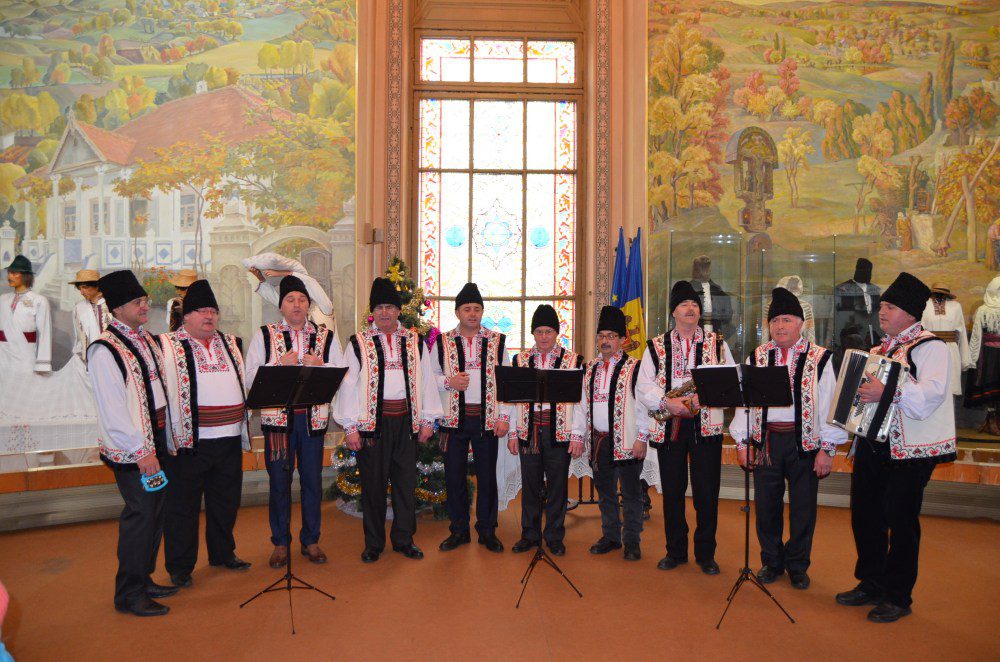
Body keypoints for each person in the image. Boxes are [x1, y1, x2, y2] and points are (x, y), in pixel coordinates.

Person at [837, 272, 957, 623]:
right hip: (873, 445)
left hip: (909, 452)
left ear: (909, 312)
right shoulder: (879, 349)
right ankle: (871, 582)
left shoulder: (931, 347)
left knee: (901, 522)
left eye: (889, 306)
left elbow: (931, 395)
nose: (882, 311)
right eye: (882, 306)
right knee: (866, 516)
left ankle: (898, 595)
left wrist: (886, 391)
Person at [730, 287, 846, 590]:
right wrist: (743, 442)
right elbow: (745, 403)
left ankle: (797, 565)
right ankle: (772, 561)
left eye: (787, 320)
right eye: (775, 321)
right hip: (767, 442)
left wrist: (828, 449)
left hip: (804, 444)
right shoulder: (757, 357)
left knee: (803, 509)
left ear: (801, 324)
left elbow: (830, 405)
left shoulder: (821, 358)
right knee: (766, 506)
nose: (780, 326)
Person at [87, 270, 178, 617]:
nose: (145, 306)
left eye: (145, 300)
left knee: (155, 513)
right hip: (134, 450)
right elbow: (113, 410)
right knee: (140, 515)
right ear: (118, 308)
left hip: (155, 440)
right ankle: (129, 593)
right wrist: (142, 452)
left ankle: (144, 578)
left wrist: (164, 440)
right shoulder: (104, 350)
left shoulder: (147, 340)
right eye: (138, 302)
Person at [334, 277, 442, 563]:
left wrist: (428, 420)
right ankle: (374, 543)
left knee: (405, 484)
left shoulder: (415, 342)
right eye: (379, 307)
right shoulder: (358, 343)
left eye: (390, 307)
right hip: (372, 426)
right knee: (374, 486)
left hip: (407, 423)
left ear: (398, 310)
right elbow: (347, 386)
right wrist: (350, 427)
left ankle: (404, 539)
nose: (385, 312)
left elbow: (427, 381)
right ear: (373, 311)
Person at [158, 280, 252, 588]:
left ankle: (223, 553)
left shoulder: (232, 343)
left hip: (228, 438)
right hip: (189, 442)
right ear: (186, 315)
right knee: (182, 507)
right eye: (201, 311)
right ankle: (180, 566)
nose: (209, 316)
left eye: (213, 310)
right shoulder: (166, 345)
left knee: (225, 502)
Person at [637, 281, 735, 575]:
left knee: (707, 492)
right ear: (673, 312)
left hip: (707, 426)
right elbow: (643, 386)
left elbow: (730, 382)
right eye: (683, 304)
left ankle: (706, 554)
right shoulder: (655, 346)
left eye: (694, 304)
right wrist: (668, 403)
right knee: (673, 491)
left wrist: (707, 396)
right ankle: (675, 551)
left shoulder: (718, 344)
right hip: (670, 426)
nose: (690, 308)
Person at [245, 275, 343, 568]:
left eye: (302, 299)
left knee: (313, 481)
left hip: (312, 422)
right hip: (278, 424)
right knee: (279, 483)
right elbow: (249, 377)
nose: (297, 304)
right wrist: (278, 365)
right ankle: (280, 543)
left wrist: (321, 365)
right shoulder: (265, 335)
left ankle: (311, 540)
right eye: (290, 299)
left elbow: (341, 373)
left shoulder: (326, 336)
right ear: (281, 305)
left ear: (309, 305)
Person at [432, 282, 510, 553]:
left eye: (477, 309)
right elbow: (428, 378)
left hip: (487, 419)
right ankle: (459, 530)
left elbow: (507, 381)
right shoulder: (442, 342)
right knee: (454, 477)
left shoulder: (497, 341)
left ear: (482, 312)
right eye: (467, 309)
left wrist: (504, 417)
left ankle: (487, 530)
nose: (473, 314)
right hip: (453, 420)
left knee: (487, 477)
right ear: (457, 312)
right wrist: (449, 382)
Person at [505, 304, 584, 557]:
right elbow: (512, 399)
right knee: (530, 484)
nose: (543, 336)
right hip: (529, 430)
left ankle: (554, 536)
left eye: (549, 331)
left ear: (557, 333)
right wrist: (513, 433)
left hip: (558, 431)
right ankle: (529, 534)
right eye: (539, 331)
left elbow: (581, 403)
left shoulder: (573, 361)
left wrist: (577, 434)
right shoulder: (520, 361)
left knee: (558, 485)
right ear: (533, 333)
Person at [572, 306, 649, 562]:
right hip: (599, 441)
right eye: (602, 336)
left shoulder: (635, 368)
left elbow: (644, 407)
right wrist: (578, 436)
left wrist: (642, 437)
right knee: (605, 492)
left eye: (611, 336)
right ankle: (611, 536)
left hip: (628, 442)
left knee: (631, 493)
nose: (605, 341)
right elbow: (581, 405)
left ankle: (632, 541)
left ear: (623, 340)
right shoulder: (589, 368)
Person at [0, 255, 51, 374]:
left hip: (25, 354)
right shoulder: (3, 299)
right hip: (3, 355)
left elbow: (45, 333)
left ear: (25, 276)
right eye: (9, 273)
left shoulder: (39, 301)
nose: (9, 277)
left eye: (14, 273)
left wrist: (42, 365)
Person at [921, 283, 972, 397]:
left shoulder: (956, 306)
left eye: (942, 294)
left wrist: (964, 358)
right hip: (929, 348)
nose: (940, 295)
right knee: (929, 383)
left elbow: (962, 332)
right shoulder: (924, 304)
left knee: (950, 384)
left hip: (950, 349)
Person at [966, 275, 1000, 435]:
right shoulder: (982, 310)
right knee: (990, 386)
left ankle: (993, 420)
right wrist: (973, 358)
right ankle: (991, 419)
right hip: (989, 356)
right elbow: (976, 336)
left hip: (992, 355)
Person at [69, 269, 108, 364]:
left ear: (97, 286)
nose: (81, 292)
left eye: (85, 287)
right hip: (88, 360)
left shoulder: (111, 305)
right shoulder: (79, 308)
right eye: (80, 288)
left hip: (110, 356)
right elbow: (79, 336)